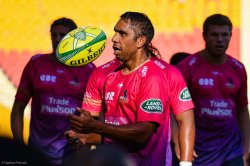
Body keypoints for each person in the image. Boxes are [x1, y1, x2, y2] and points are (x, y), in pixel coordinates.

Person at [69, 11, 195, 166]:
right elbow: (97, 128)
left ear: (141, 41)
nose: (114, 39)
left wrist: (185, 163)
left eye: (122, 34)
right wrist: (84, 136)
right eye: (115, 32)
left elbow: (145, 133)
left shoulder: (158, 76)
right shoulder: (101, 74)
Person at [11, 17, 96, 165]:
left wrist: (85, 149)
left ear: (74, 40)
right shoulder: (35, 64)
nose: (57, 39)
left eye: (63, 35)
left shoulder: (89, 70)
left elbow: (95, 118)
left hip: (71, 154)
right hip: (37, 152)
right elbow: (18, 108)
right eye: (54, 35)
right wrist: (19, 148)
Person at [177, 14, 250, 166]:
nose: (220, 40)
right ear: (204, 36)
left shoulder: (238, 68)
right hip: (199, 150)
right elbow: (173, 109)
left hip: (232, 150)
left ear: (231, 35)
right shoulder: (187, 67)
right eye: (214, 34)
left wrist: (247, 145)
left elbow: (242, 109)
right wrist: (178, 140)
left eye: (224, 35)